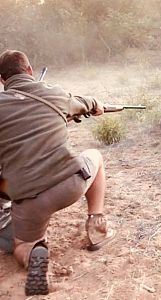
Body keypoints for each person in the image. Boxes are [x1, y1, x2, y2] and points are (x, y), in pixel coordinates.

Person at [0, 50, 116, 296]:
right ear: (29, 70)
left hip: (28, 201)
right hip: (69, 184)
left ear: (2, 79)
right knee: (95, 157)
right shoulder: (55, 94)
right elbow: (87, 102)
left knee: (21, 245)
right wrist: (97, 107)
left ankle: (34, 254)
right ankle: (96, 227)